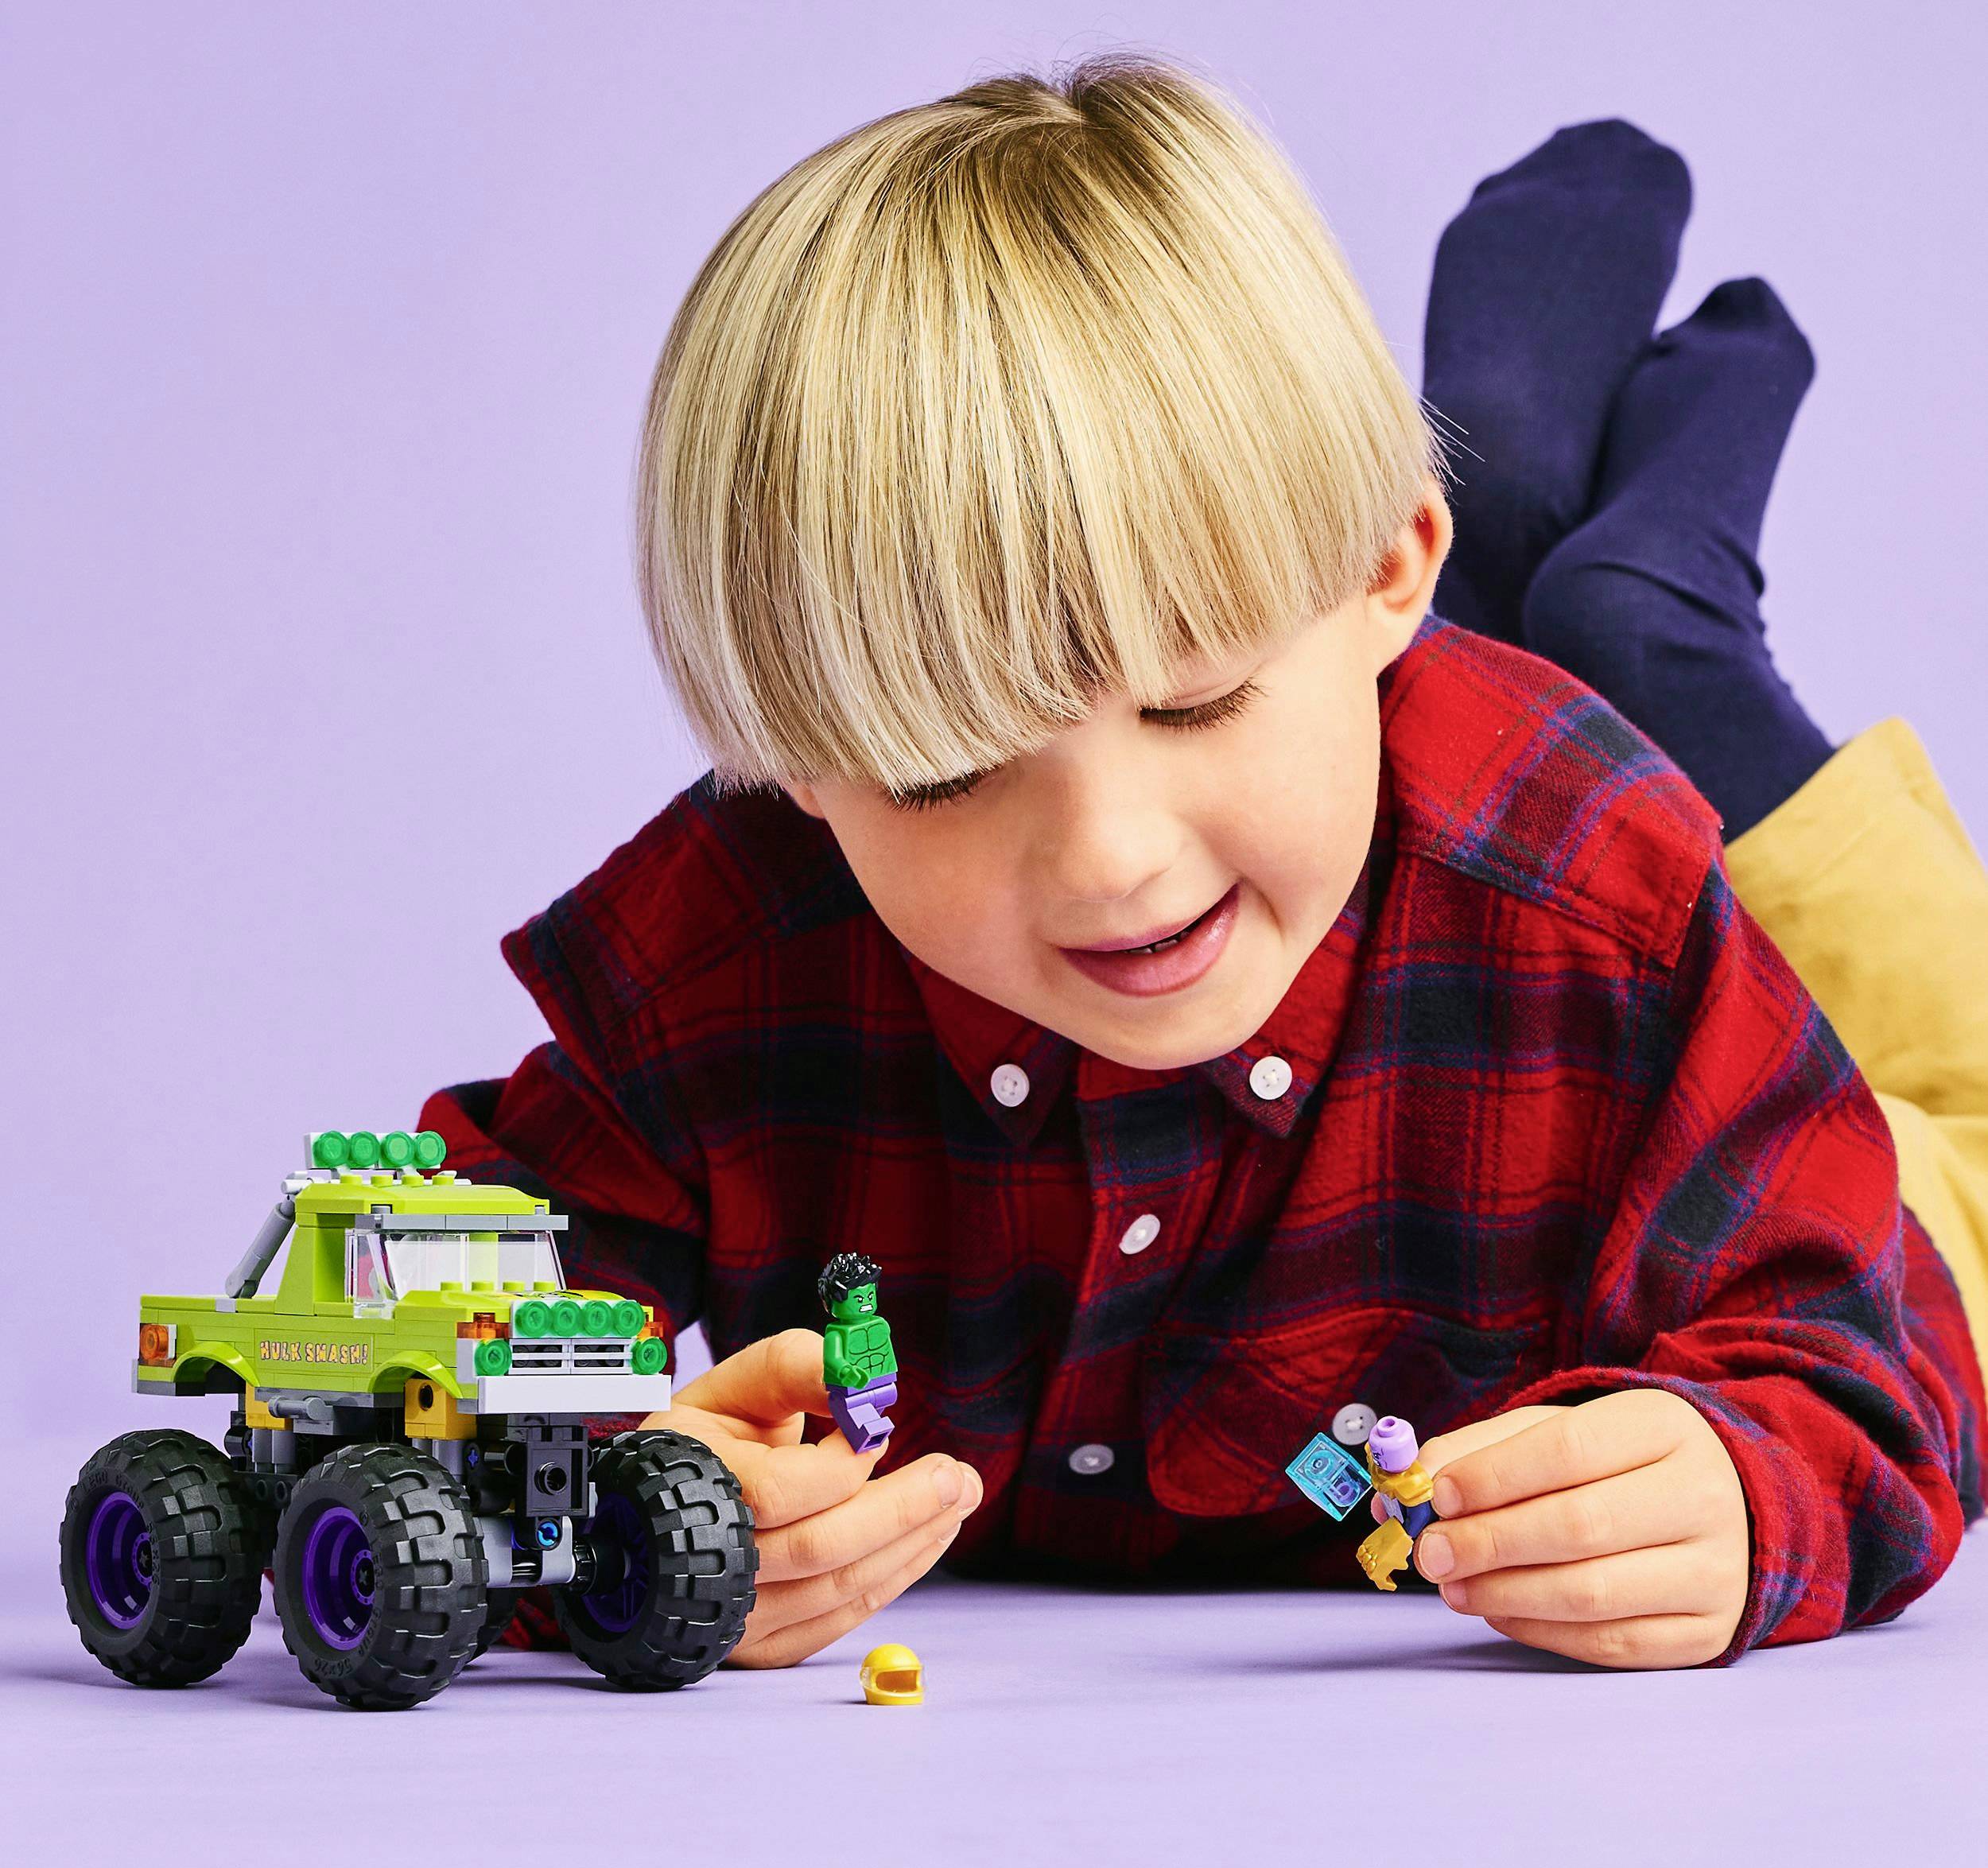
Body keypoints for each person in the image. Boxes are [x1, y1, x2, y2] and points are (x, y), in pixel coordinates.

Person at [421, 57, 1983, 1671]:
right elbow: (429, 1344)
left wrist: (1742, 1481)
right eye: (950, 768)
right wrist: (618, 1520)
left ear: (1389, 575)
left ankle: (1657, 593)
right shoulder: (733, 957)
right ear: (797, 760)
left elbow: (1875, 1356)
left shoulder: (1579, 891)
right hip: (1378, 726)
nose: (1109, 861)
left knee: (1918, 1046)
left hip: (1912, 1136)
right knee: (1461, 653)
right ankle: (1505, 524)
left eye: (1194, 699)